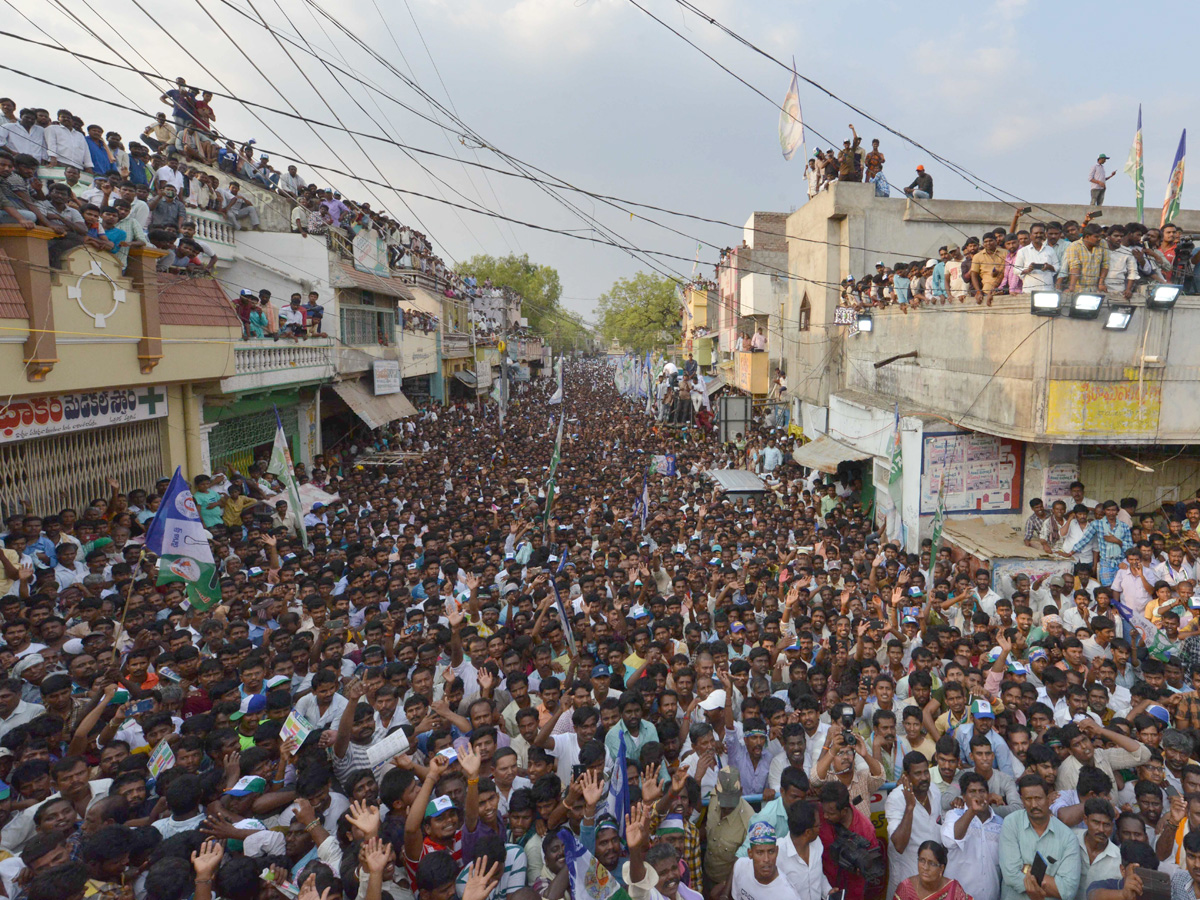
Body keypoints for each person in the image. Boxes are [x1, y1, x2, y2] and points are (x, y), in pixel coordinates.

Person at [999, 774, 1081, 900]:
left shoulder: (1068, 837)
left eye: (1038, 798)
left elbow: (1068, 890)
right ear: (1022, 800)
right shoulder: (1011, 823)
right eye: (1028, 799)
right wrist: (1051, 883)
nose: (1033, 805)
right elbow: (1010, 875)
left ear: (1049, 799)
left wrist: (1025, 869)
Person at [893, 841, 971, 900]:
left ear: (941, 868)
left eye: (932, 863)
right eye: (922, 860)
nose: (925, 867)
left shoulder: (953, 890)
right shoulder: (906, 889)